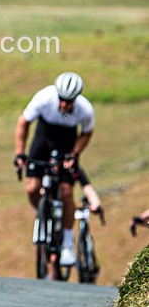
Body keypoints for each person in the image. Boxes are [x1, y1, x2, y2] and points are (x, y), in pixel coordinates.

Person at [14, 72, 102, 267]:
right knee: (31, 188)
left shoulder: (85, 109)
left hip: (67, 142)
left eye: (69, 101)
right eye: (61, 99)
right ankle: (42, 215)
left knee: (66, 192)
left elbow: (87, 132)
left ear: (76, 99)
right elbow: (23, 122)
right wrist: (20, 153)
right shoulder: (44, 98)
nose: (64, 104)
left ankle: (67, 244)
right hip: (42, 139)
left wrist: (75, 153)